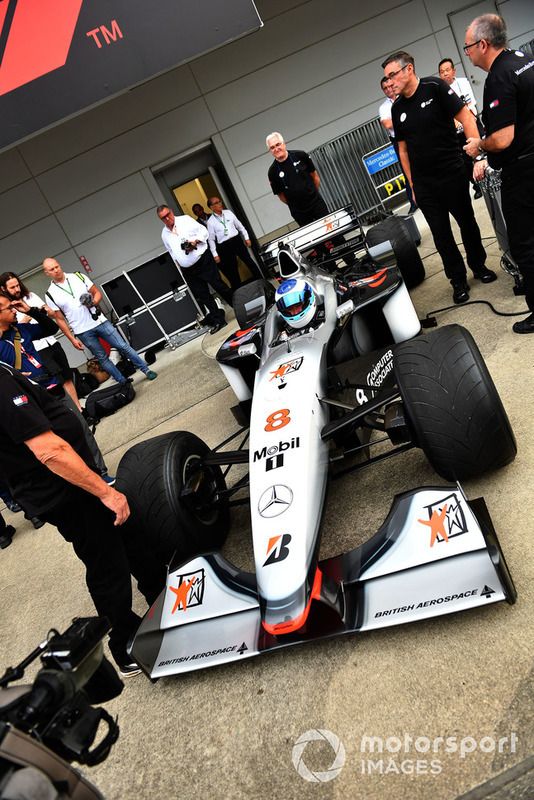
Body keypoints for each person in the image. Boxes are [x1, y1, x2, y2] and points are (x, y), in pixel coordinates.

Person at [0, 363, 166, 675]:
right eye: (5, 308)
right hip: (64, 492)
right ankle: (126, 644)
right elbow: (49, 451)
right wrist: (104, 492)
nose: (12, 310)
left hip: (71, 485)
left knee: (130, 533)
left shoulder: (5, 367)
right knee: (106, 563)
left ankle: (161, 596)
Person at [382, 50, 496, 304]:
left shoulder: (435, 87)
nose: (389, 82)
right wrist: (412, 185)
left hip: (451, 173)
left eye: (392, 75)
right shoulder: (398, 108)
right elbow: (402, 149)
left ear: (408, 69)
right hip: (425, 184)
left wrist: (475, 148)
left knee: (467, 223)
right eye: (386, 78)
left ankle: (478, 267)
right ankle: (457, 280)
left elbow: (466, 116)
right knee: (441, 235)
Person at [463, 14, 534, 334]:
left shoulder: (499, 77)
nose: (467, 53)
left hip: (524, 170)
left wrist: (479, 146)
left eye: (467, 47)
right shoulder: (525, 59)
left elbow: (502, 139)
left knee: (525, 244)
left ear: (482, 44)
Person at [0, 292, 114, 485]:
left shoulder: (20, 329)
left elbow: (50, 328)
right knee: (54, 444)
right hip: (30, 400)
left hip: (53, 387)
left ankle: (100, 473)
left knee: (80, 428)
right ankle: (78, 482)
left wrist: (31, 311)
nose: (13, 309)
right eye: (8, 307)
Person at [42, 258, 157, 383]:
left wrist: (94, 302)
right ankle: (123, 382)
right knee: (102, 358)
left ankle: (146, 370)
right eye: (52, 269)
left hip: (99, 321)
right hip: (82, 330)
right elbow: (60, 319)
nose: (56, 270)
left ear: (60, 265)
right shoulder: (50, 294)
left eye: (57, 266)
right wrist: (72, 339)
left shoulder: (78, 276)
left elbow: (97, 293)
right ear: (46, 273)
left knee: (123, 346)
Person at [0, 271, 82, 410]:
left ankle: (78, 409)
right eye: (12, 287)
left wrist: (32, 311)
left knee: (66, 376)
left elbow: (51, 322)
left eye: (17, 285)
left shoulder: (28, 301)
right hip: (33, 378)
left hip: (49, 345)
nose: (17, 289)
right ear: (3, 289)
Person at [157, 204, 233, 334]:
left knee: (219, 285)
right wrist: (180, 266)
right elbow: (171, 252)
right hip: (188, 270)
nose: (167, 219)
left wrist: (195, 241)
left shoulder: (185, 220)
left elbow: (204, 231)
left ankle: (238, 305)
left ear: (171, 211)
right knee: (203, 295)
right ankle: (219, 320)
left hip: (203, 260)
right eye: (163, 218)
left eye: (168, 215)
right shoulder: (164, 234)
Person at [438, 58, 483, 199]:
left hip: (471, 122)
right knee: (464, 159)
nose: (445, 74)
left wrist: (466, 120)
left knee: (481, 148)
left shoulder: (463, 82)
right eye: (441, 72)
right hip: (455, 131)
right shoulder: (438, 90)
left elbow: (470, 104)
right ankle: (477, 186)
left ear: (453, 71)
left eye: (447, 70)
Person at [266, 132, 327, 226]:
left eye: (278, 144)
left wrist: (312, 193)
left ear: (284, 143)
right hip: (299, 212)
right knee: (313, 238)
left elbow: (315, 176)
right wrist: (295, 205)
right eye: (272, 147)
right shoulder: (272, 172)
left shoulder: (301, 155)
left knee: (331, 232)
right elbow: (281, 196)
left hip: (316, 204)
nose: (276, 149)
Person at [378, 77, 418, 213]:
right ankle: (413, 202)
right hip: (398, 141)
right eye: (385, 88)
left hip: (413, 135)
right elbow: (388, 124)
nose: (389, 89)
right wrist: (405, 118)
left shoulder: (405, 97)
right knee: (406, 169)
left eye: (390, 86)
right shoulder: (384, 108)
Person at [206, 197, 262, 291]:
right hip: (224, 246)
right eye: (217, 203)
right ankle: (240, 291)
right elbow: (211, 239)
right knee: (233, 269)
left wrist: (246, 237)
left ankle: (261, 281)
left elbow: (240, 226)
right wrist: (215, 254)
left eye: (220, 201)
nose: (220, 203)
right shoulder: (210, 222)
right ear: (211, 207)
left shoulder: (228, 213)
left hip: (237, 241)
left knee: (248, 261)